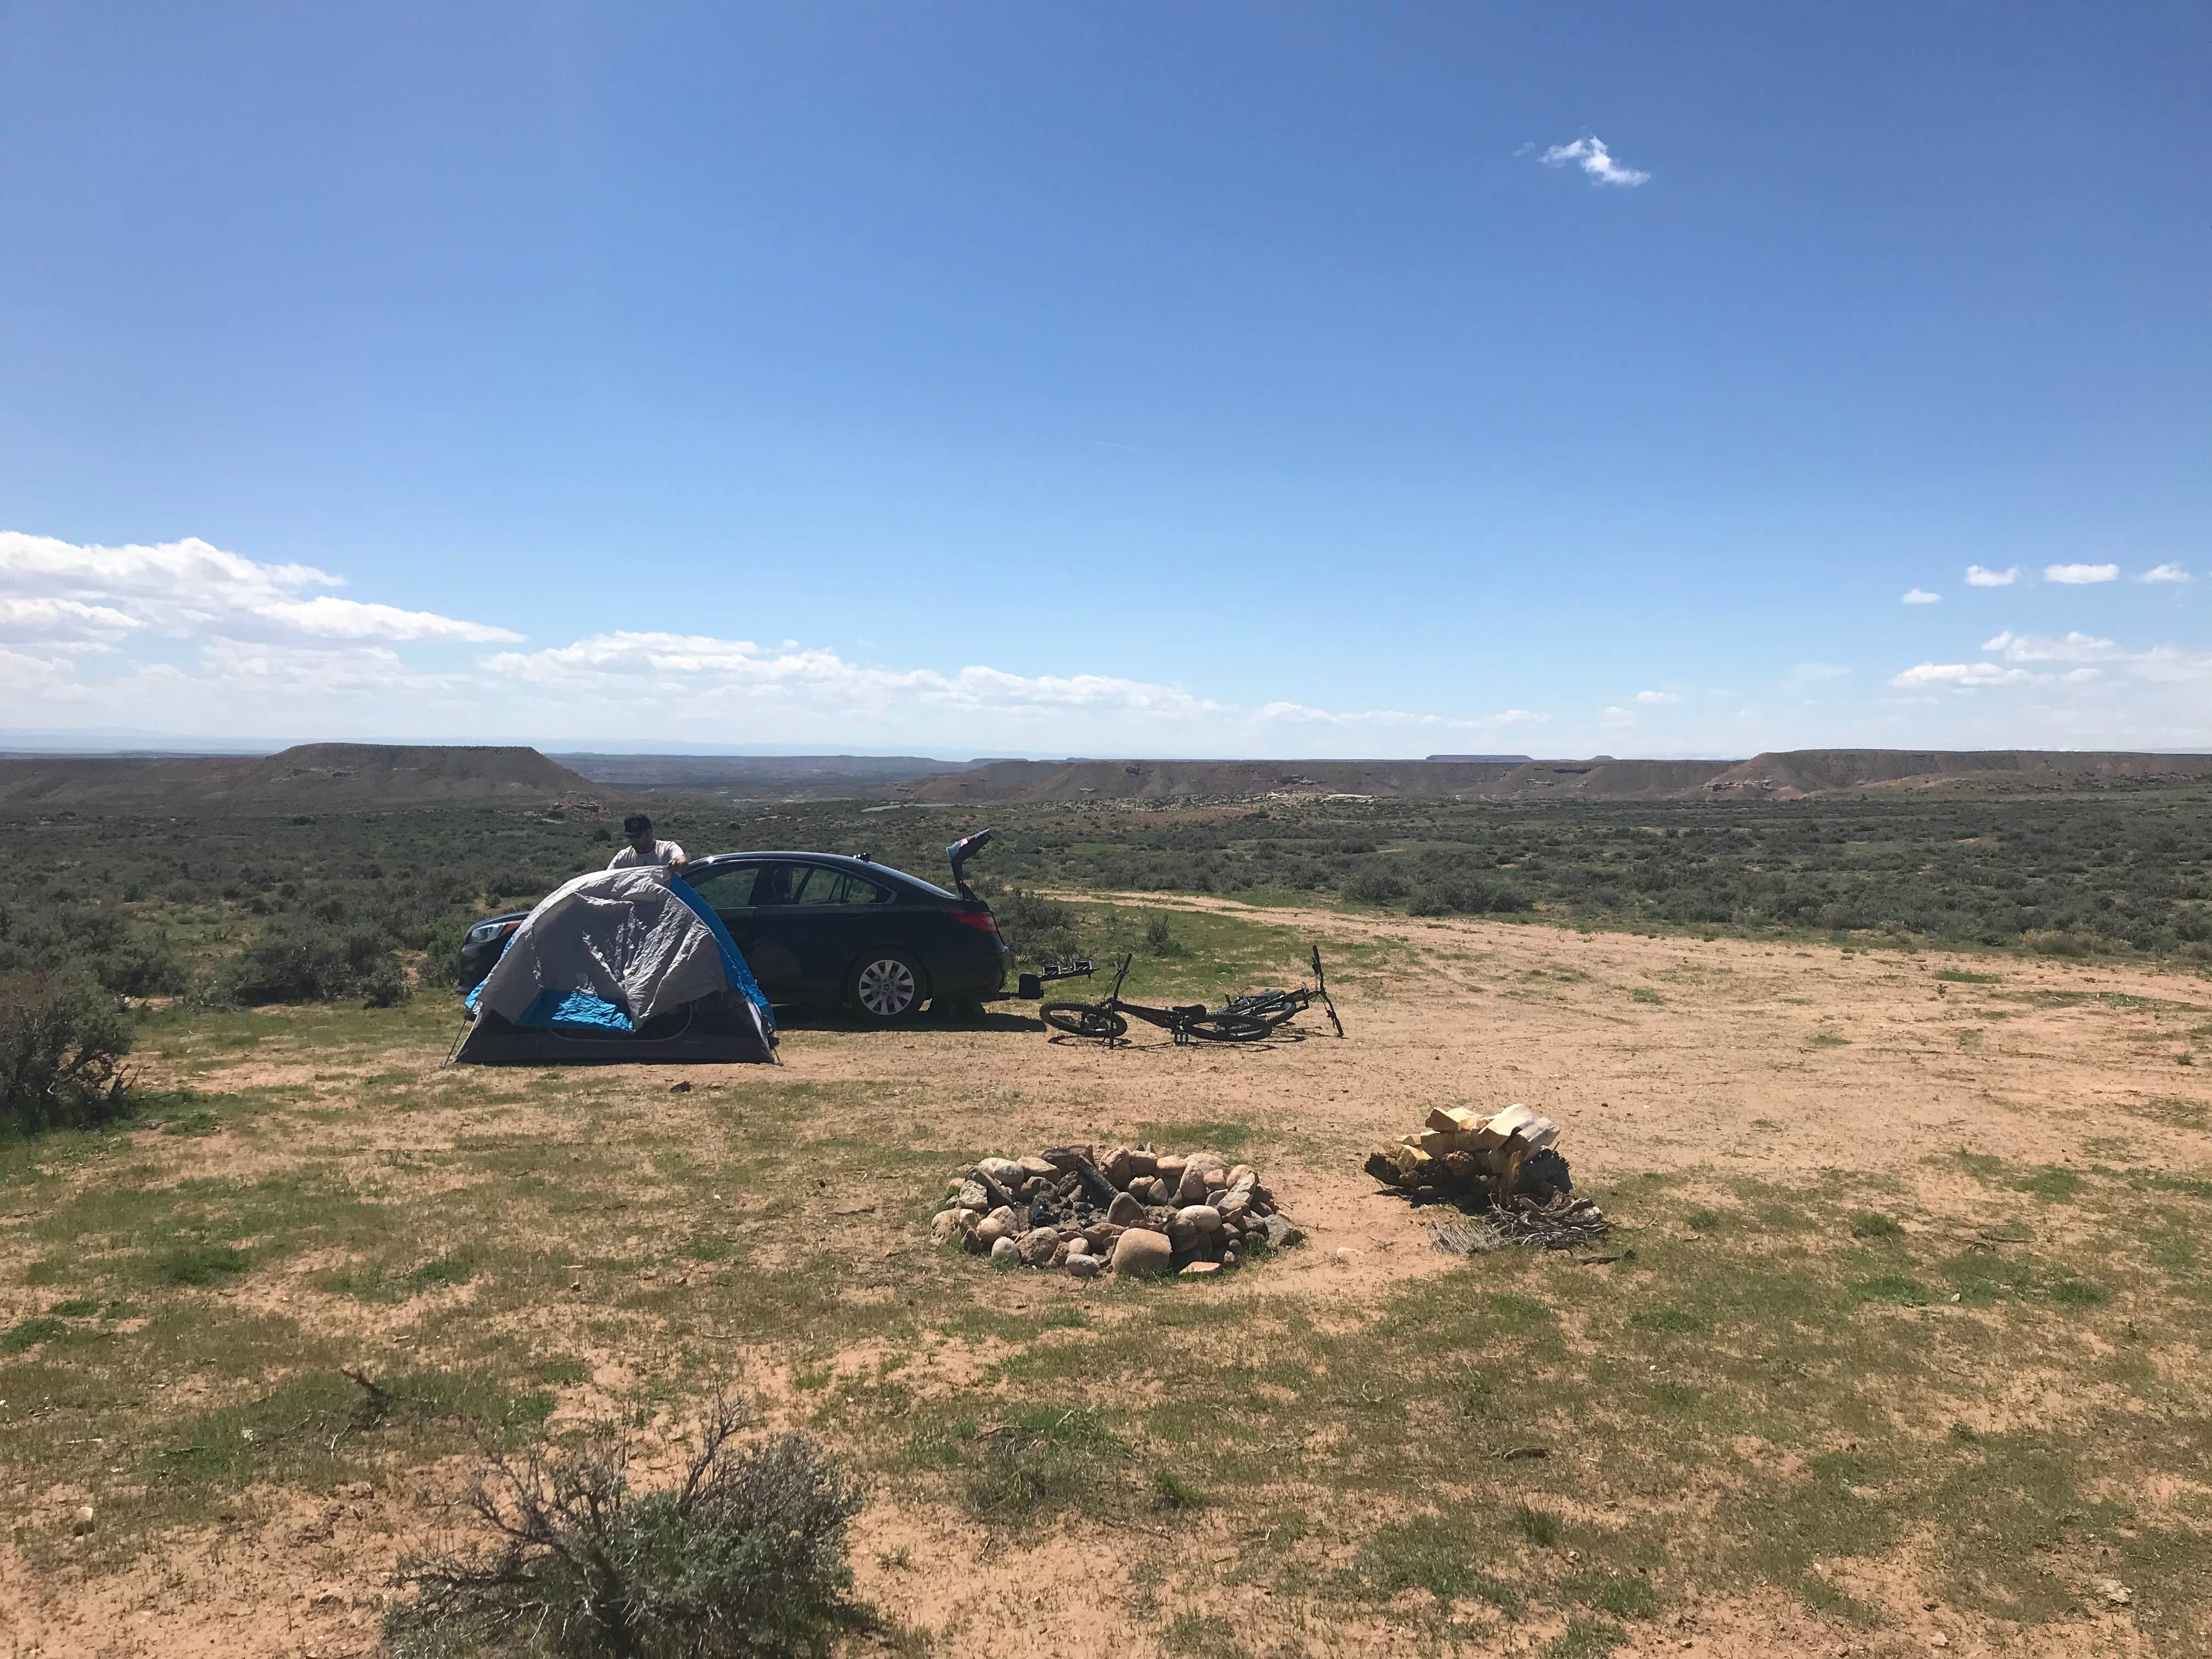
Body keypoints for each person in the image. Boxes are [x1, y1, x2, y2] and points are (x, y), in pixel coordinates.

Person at [608, 814, 687, 872]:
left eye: (638, 836)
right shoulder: (623, 858)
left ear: (649, 832)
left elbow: (681, 860)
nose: (634, 841)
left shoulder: (667, 849)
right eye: (631, 837)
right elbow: (606, 878)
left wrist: (679, 863)